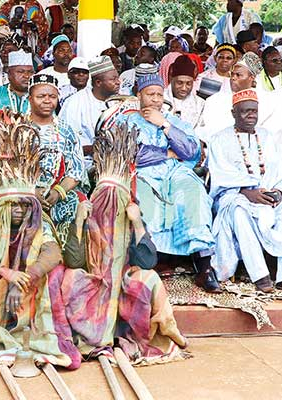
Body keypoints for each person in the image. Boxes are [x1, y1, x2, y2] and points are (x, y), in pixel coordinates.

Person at [0, 109, 78, 370]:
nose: (19, 210)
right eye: (13, 205)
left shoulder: (37, 219)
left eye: (24, 205)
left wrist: (24, 277)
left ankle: (36, 336)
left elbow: (52, 253)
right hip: (1, 281)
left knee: (54, 277)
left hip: (28, 282)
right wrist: (5, 273)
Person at [60, 118, 188, 365]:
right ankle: (93, 338)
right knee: (69, 277)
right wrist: (78, 222)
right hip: (94, 290)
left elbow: (148, 260)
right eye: (103, 199)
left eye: (114, 199)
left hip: (125, 291)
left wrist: (137, 223)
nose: (109, 205)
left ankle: (141, 337)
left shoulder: (131, 215)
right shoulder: (86, 217)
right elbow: (73, 260)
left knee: (149, 279)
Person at [114, 74, 218, 292]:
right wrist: (167, 153)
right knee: (147, 196)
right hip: (143, 173)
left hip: (176, 173)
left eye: (159, 95)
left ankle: (204, 266)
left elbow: (191, 152)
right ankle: (156, 259)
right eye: (150, 94)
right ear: (139, 95)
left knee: (193, 191)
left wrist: (164, 124)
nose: (155, 100)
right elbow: (132, 155)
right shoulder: (125, 120)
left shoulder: (174, 120)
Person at [208, 89, 282, 293]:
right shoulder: (220, 139)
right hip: (235, 195)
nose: (251, 115)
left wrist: (279, 191)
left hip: (268, 195)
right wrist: (246, 192)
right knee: (238, 212)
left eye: (254, 111)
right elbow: (220, 174)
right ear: (233, 113)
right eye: (245, 111)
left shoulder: (267, 136)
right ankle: (260, 276)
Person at [26, 74, 84, 242]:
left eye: (52, 96)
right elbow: (7, 170)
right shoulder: (17, 128)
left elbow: (76, 171)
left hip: (58, 198)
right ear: (30, 99)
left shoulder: (66, 130)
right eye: (40, 96)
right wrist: (32, 192)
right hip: (24, 196)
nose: (47, 101)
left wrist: (58, 192)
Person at [198, 52, 276, 143]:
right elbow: (207, 129)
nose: (233, 78)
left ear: (252, 78)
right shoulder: (215, 100)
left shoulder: (267, 100)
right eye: (232, 74)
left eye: (238, 75)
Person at [58, 56, 119, 165]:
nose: (118, 82)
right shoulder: (74, 102)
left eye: (117, 78)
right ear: (98, 82)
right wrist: (93, 149)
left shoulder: (119, 103)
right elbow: (64, 141)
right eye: (113, 79)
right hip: (83, 164)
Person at [0, 49, 33, 126]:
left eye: (30, 72)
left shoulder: (40, 97)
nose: (27, 76)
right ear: (9, 74)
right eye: (21, 71)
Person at [165, 55, 204, 127]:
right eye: (179, 83)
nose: (184, 88)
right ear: (171, 79)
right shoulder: (159, 99)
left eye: (188, 83)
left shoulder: (200, 104)